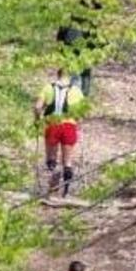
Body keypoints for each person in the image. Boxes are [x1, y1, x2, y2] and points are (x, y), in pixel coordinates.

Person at [33, 69, 85, 197]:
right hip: (69, 126)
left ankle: (53, 188)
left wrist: (37, 120)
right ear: (70, 76)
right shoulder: (77, 91)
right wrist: (79, 124)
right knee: (67, 161)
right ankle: (65, 192)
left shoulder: (48, 87)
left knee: (51, 158)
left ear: (58, 74)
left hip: (52, 124)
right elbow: (81, 113)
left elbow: (37, 107)